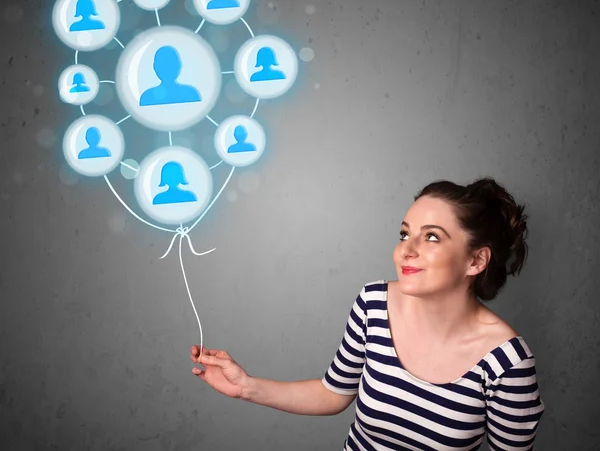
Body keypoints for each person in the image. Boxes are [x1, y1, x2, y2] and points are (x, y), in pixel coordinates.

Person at [190, 177, 545, 450]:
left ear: (475, 260)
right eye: (405, 234)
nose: (407, 249)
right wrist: (247, 388)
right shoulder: (373, 304)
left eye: (432, 237)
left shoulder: (507, 363)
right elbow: (333, 395)